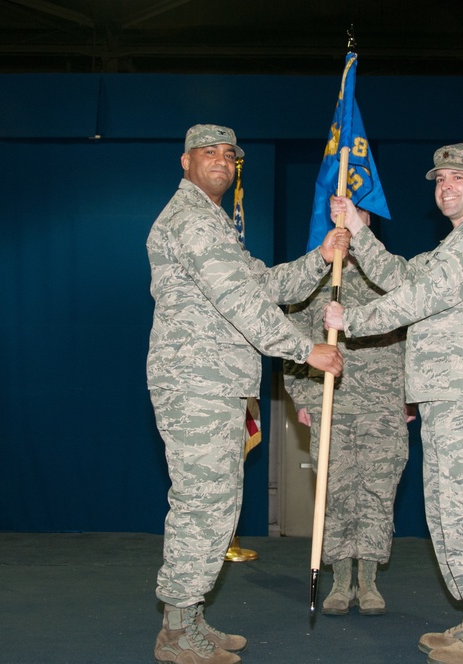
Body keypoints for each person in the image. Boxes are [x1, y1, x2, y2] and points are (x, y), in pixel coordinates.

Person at [147, 124, 349, 664]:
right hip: (195, 381)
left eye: (228, 154)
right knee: (200, 504)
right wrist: (306, 350)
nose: (219, 160)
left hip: (214, 383)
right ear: (184, 162)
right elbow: (240, 300)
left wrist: (319, 256)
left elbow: (262, 283)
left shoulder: (215, 224)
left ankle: (189, 618)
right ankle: (175, 632)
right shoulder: (190, 219)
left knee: (215, 505)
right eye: (206, 152)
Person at [324, 143, 463, 664]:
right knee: (449, 511)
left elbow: (419, 298)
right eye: (439, 180)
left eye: (459, 177)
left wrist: (354, 322)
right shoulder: (452, 246)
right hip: (445, 398)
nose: (447, 186)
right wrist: (359, 232)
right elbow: (404, 277)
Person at [283, 208, 413, 617]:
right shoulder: (316, 277)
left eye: (359, 214)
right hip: (330, 403)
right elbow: (294, 341)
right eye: (343, 213)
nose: (350, 220)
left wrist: (410, 397)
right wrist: (302, 397)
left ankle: (370, 582)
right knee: (335, 494)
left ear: (368, 223)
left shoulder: (391, 277)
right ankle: (340, 581)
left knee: (377, 492)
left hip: (382, 406)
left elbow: (417, 337)